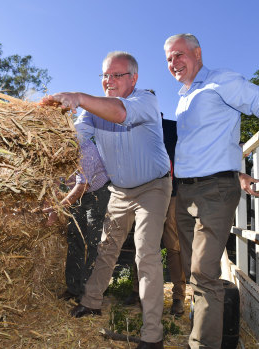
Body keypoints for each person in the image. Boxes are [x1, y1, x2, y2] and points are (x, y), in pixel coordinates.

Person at [163, 33, 259, 348]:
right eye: (168, 58)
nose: (174, 63)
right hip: (186, 193)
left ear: (197, 52)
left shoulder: (220, 80)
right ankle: (202, 334)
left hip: (213, 193)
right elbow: (213, 144)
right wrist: (241, 175)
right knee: (197, 276)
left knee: (204, 274)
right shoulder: (184, 96)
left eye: (179, 55)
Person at [42, 51, 172, 349]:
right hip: (120, 190)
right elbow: (72, 137)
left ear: (134, 78)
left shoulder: (146, 99)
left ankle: (153, 335)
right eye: (104, 75)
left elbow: (120, 113)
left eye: (116, 75)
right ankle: (91, 302)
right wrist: (43, 126)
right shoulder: (91, 113)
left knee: (146, 252)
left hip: (153, 187)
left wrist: (78, 96)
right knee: (106, 247)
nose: (108, 81)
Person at [124, 114, 186, 317]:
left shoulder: (174, 128)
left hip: (173, 192)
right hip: (144, 194)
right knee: (141, 242)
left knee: (173, 245)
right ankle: (136, 290)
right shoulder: (133, 131)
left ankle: (178, 296)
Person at [44, 138, 110, 302]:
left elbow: (83, 185)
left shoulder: (85, 148)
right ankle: (73, 288)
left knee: (93, 241)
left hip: (96, 192)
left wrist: (58, 208)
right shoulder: (52, 149)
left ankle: (89, 294)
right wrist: (50, 208)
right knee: (75, 238)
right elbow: (53, 182)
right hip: (75, 194)